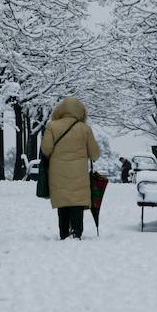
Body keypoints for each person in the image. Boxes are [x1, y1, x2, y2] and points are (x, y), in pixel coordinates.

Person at [41, 97, 101, 240]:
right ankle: (76, 232)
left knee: (63, 202)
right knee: (76, 202)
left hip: (58, 172)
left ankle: (64, 233)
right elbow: (95, 154)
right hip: (79, 174)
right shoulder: (85, 129)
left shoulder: (51, 126)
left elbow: (46, 149)